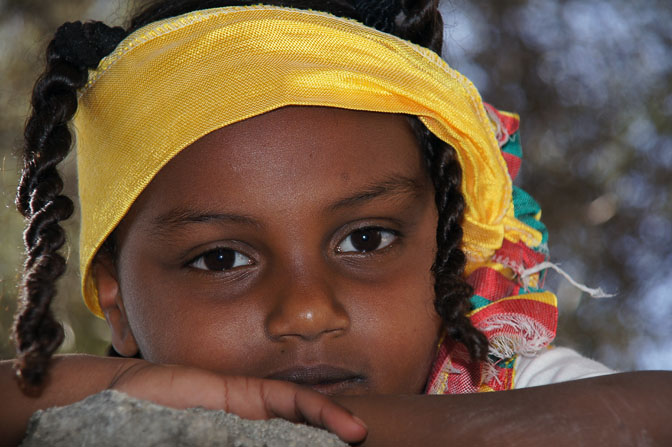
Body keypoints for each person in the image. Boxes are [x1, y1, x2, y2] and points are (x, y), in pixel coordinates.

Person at [2, 0, 670, 445]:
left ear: (448, 249)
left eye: (366, 239)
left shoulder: (513, 380)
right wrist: (121, 387)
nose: (308, 310)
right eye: (220, 258)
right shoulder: (120, 410)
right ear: (115, 300)